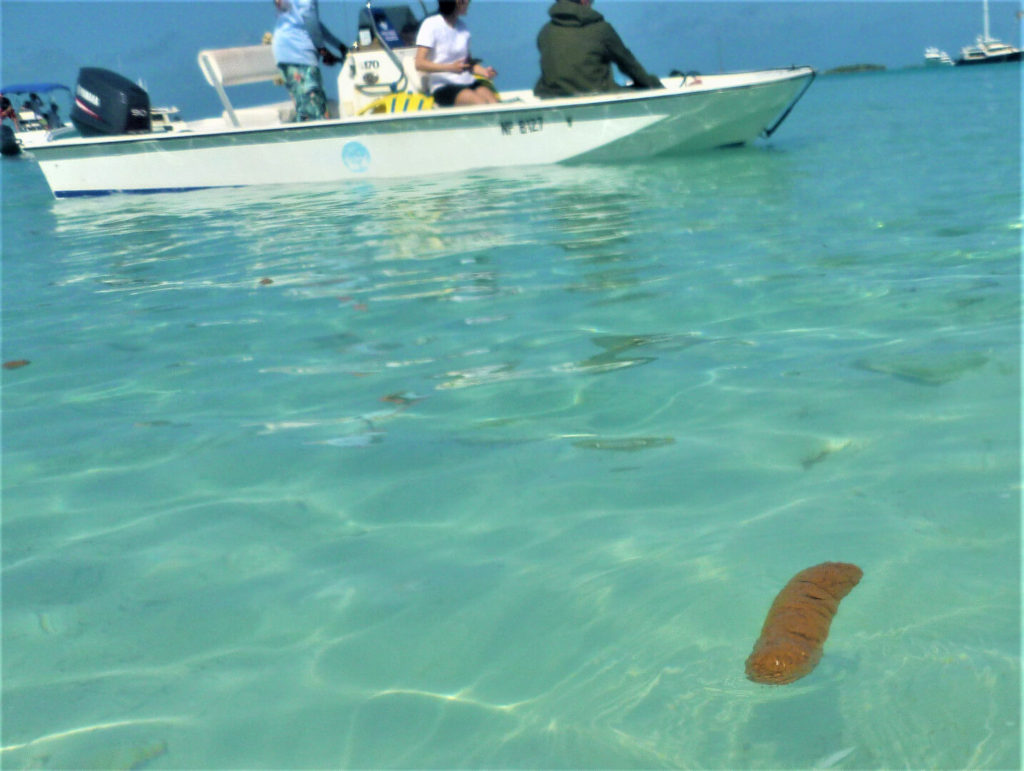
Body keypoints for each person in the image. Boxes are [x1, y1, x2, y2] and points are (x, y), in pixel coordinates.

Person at [534, 0, 663, 98]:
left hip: (551, 97)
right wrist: (654, 85)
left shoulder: (545, 32)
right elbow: (629, 65)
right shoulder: (601, 30)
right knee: (642, 88)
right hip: (597, 97)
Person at [272, 0, 348, 121]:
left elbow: (312, 23)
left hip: (284, 52)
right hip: (299, 53)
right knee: (315, 114)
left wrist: (338, 46)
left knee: (303, 109)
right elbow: (309, 18)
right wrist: (322, 50)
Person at [415, 0, 498, 107]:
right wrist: (450, 68)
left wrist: (484, 72)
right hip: (443, 86)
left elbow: (467, 64)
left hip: (467, 81)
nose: (468, 2)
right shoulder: (431, 25)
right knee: (479, 103)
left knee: (493, 102)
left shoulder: (463, 28)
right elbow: (419, 63)